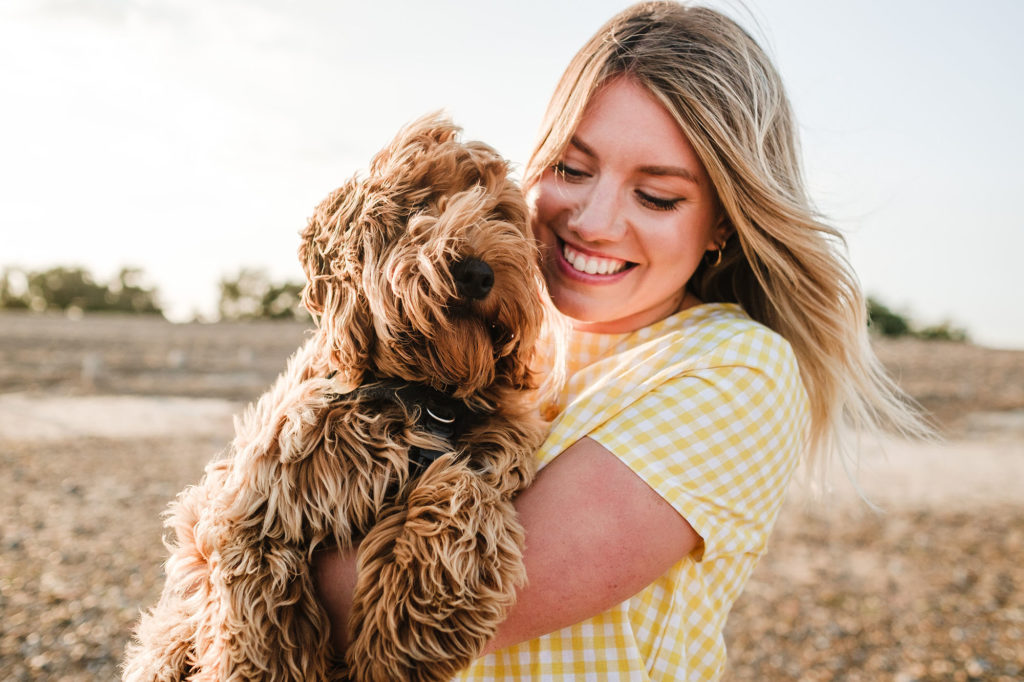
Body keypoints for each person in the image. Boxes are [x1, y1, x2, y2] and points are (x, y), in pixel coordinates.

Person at [315, 2, 927, 679]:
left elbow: (431, 608)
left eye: (658, 197)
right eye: (572, 171)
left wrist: (248, 549)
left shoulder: (735, 371)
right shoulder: (491, 342)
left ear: (724, 220)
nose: (596, 222)